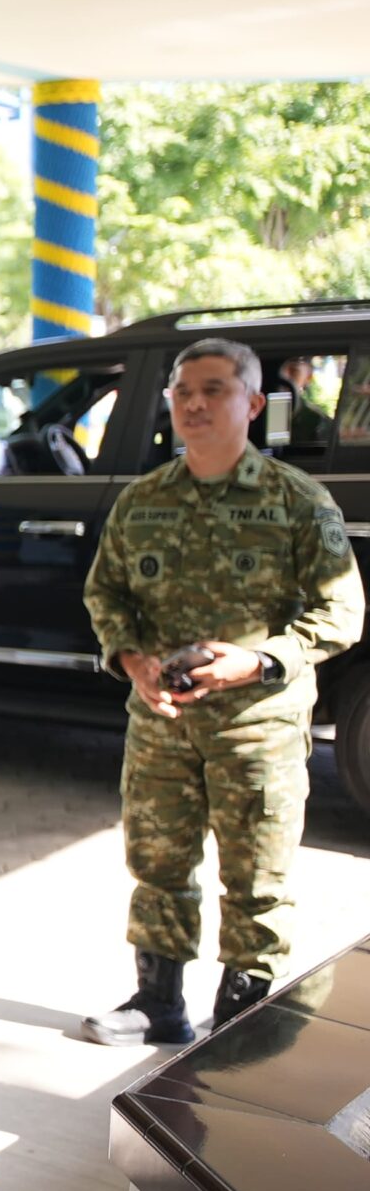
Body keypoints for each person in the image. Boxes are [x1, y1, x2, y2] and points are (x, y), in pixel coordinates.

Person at [81, 336, 363, 1045]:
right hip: (161, 723)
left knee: (258, 878)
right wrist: (132, 660)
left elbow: (342, 613)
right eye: (183, 392)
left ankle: (245, 1022)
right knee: (158, 865)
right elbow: (105, 592)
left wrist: (259, 661)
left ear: (254, 403)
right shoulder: (143, 501)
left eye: (214, 390)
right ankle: (158, 1004)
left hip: (256, 729)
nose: (195, 404)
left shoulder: (298, 501)